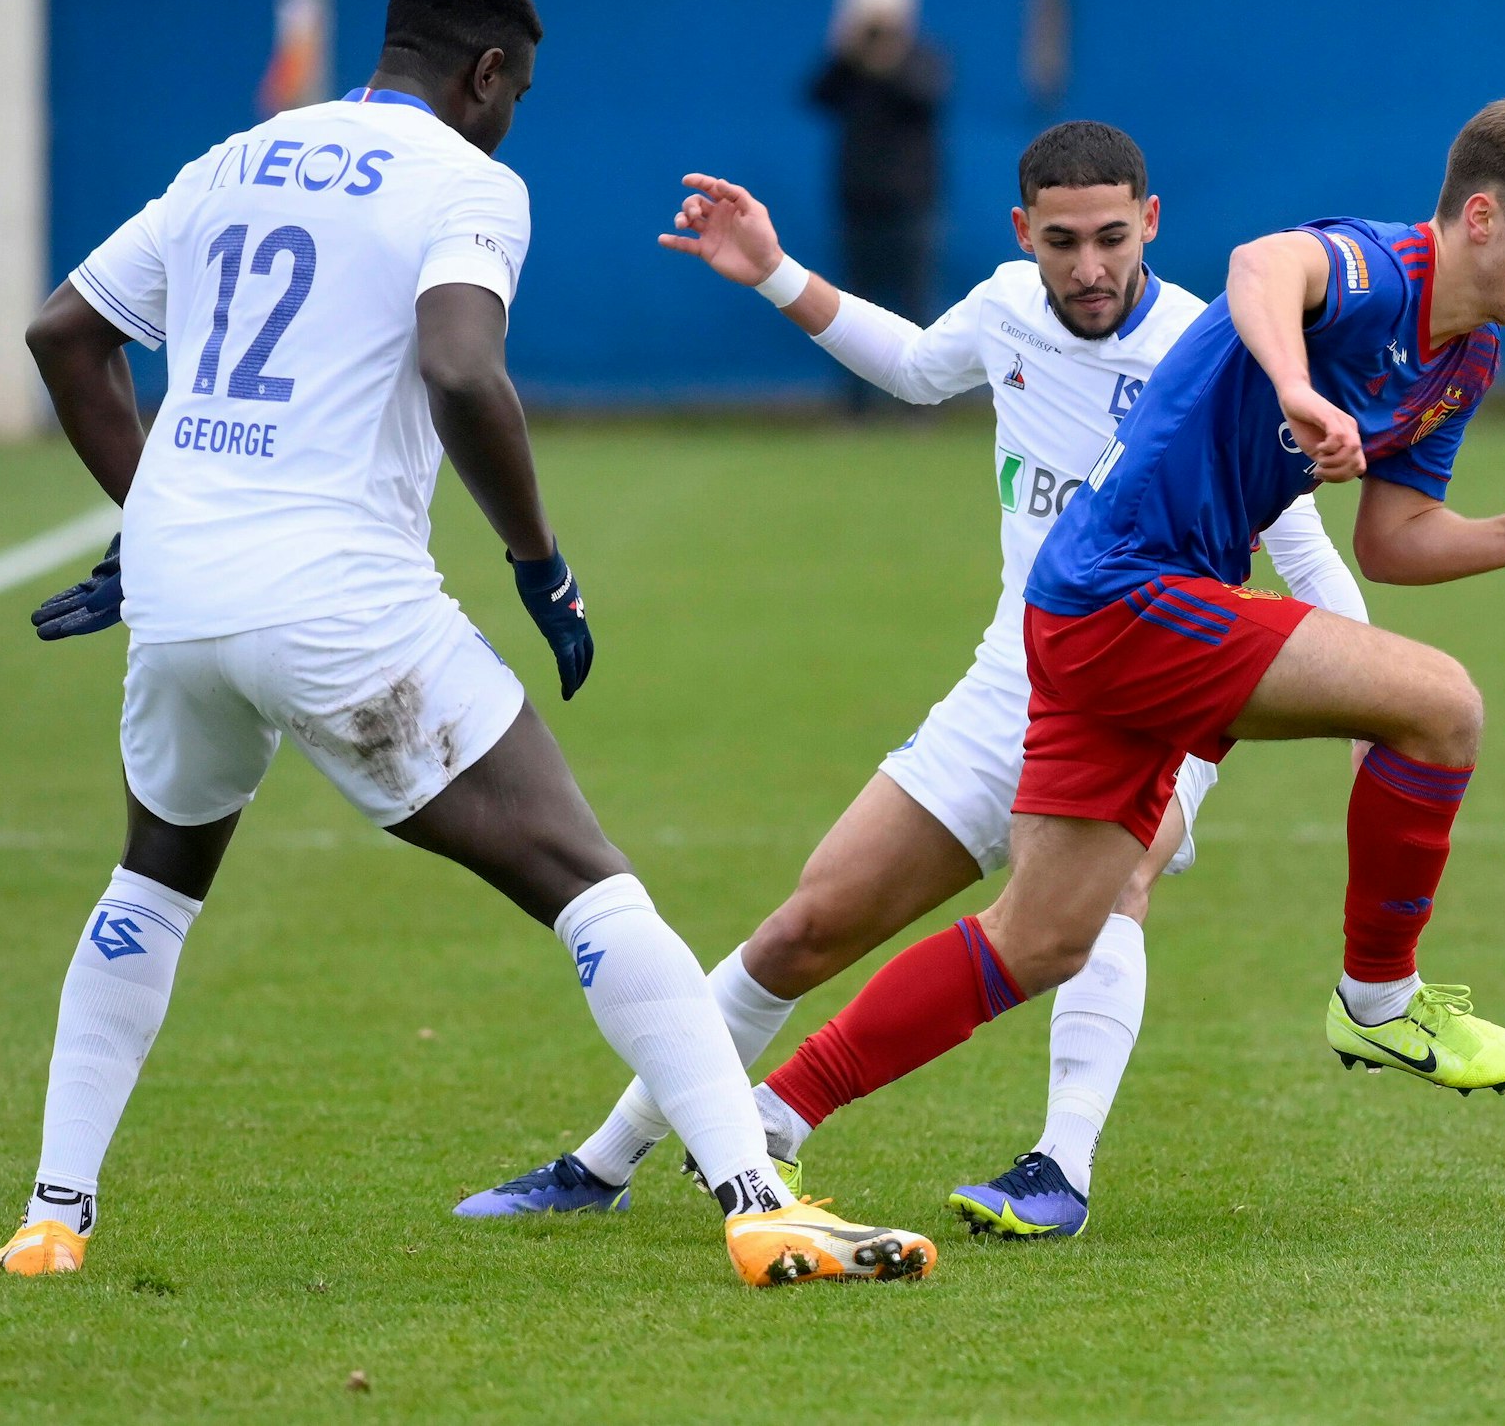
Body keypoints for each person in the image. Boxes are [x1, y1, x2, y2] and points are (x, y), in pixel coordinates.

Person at [0, 0, 932, 1289]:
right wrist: (538, 562)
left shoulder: (232, 160)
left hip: (183, 602)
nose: (514, 115)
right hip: (336, 600)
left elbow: (61, 335)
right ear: (486, 74)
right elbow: (459, 365)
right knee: (588, 881)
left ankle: (51, 1218)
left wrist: (155, 524)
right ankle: (757, 1197)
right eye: (518, 91)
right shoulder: (467, 179)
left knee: (150, 882)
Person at [455, 121, 1369, 1239]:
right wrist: (775, 273)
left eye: (1112, 239)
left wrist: (1364, 697)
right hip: (1008, 685)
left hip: (1155, 688)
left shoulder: (1212, 351)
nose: (1088, 268)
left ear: (1153, 224)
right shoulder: (1001, 309)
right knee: (805, 926)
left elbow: (1309, 557)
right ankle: (603, 1163)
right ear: (1022, 231)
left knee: (1105, 897)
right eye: (1063, 241)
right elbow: (915, 367)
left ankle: (1057, 1168)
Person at [741, 98, 1505, 1190]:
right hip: (1125, 592)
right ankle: (1378, 1004)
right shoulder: (1378, 271)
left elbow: (1392, 541)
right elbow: (1261, 264)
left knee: (1045, 937)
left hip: (1107, 619)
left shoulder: (1462, 363)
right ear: (1483, 218)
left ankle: (772, 1116)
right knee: (1440, 702)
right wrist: (1297, 386)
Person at [809, 0, 947, 411]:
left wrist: (889, 54)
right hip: (858, 205)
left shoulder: (923, 59)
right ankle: (856, 406)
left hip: (912, 205)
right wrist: (847, 46)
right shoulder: (849, 70)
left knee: (913, 305)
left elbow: (922, 96)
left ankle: (916, 408)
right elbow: (817, 94)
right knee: (849, 308)